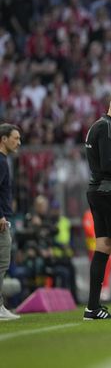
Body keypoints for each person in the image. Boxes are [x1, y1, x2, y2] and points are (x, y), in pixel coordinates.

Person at [83, 95, 111, 320]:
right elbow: (108, 163)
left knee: (103, 246)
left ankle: (92, 307)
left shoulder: (97, 126)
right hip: (110, 192)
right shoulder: (109, 127)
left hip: (97, 191)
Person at [0, 124, 21, 320]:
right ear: (4, 139)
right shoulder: (1, 161)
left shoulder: (4, 160)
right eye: (15, 138)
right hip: (1, 221)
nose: (19, 142)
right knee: (2, 263)